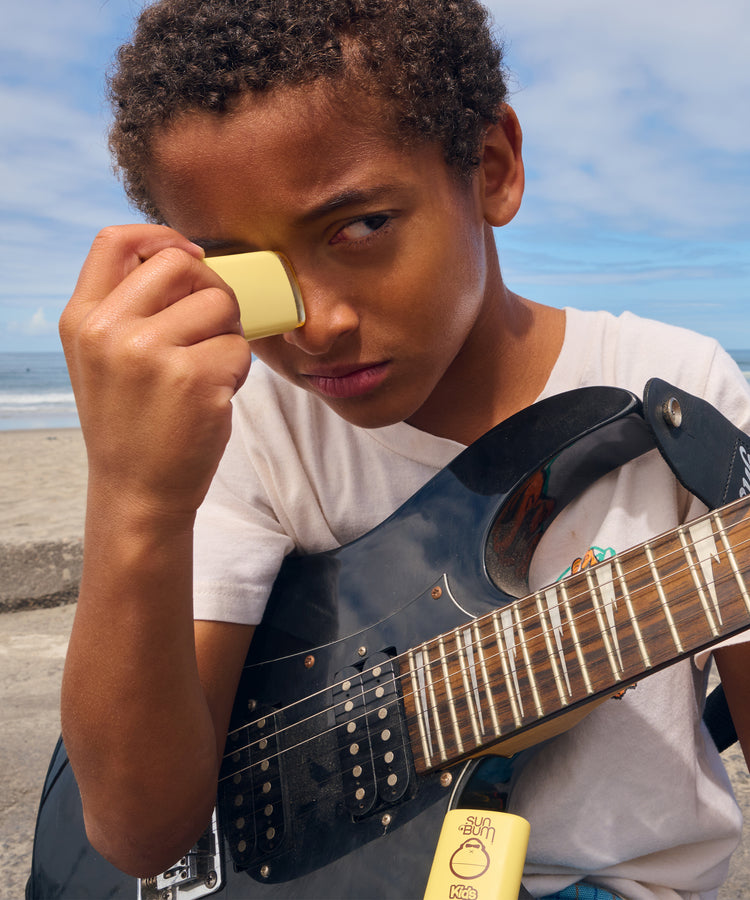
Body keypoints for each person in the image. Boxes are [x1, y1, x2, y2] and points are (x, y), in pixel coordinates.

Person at [58, 1, 750, 897]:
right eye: (243, 272)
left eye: (363, 226)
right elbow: (137, 832)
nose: (315, 326)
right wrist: (134, 495)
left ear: (492, 168)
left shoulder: (676, 385)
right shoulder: (249, 423)